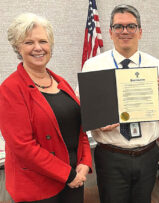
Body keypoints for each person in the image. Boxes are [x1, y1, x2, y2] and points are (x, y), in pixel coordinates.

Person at [80, 4, 159, 203]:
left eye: (131, 26)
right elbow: (85, 111)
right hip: (111, 155)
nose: (125, 31)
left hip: (147, 154)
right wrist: (97, 123)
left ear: (140, 32)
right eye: (118, 27)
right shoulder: (93, 67)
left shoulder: (156, 65)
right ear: (110, 32)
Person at [0, 13, 92, 203]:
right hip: (38, 186)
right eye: (28, 42)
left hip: (74, 178)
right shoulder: (10, 89)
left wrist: (84, 162)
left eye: (43, 41)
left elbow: (80, 128)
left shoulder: (61, 82)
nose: (38, 48)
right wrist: (68, 175)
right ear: (18, 47)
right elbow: (23, 147)